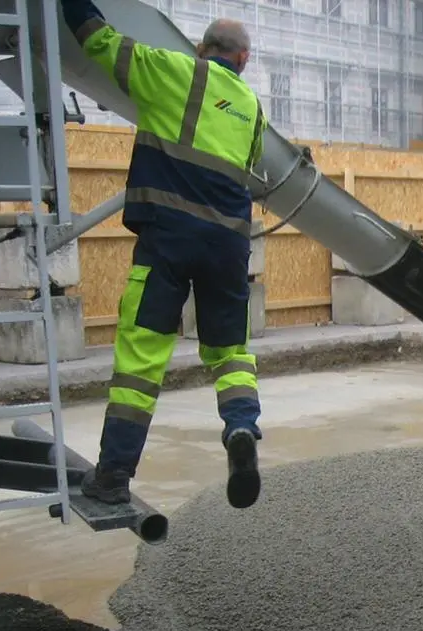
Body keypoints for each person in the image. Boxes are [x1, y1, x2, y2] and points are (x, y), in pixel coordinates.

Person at [61, 0, 267, 509]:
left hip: (169, 240)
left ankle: (113, 476)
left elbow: (99, 40)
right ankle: (241, 428)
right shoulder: (253, 108)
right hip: (228, 247)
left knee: (142, 358)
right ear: (243, 60)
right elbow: (251, 169)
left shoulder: (172, 71)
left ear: (200, 49)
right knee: (231, 353)